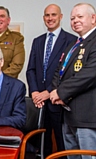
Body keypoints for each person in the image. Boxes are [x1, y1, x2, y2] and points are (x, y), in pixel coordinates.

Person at [26, 4, 77, 157]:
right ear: (43, 18)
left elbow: (68, 73)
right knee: (41, 144)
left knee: (62, 144)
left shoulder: (72, 40)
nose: (50, 18)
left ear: (60, 17)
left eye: (53, 15)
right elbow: (31, 70)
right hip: (39, 103)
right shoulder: (38, 41)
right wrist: (35, 92)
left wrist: (48, 92)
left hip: (58, 101)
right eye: (47, 15)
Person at [50, 3, 96, 159]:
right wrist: (55, 91)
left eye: (80, 17)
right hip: (69, 115)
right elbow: (59, 71)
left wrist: (61, 92)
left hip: (87, 118)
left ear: (93, 18)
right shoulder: (73, 44)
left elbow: (89, 74)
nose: (75, 20)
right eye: (72, 18)